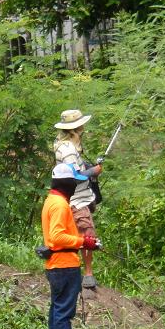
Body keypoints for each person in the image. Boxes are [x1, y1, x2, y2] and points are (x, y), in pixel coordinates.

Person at [41, 162, 100, 329]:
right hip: (64, 264)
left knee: (57, 310)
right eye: (74, 182)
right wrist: (84, 242)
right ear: (66, 183)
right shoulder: (59, 204)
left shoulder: (52, 200)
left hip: (57, 264)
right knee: (64, 312)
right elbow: (57, 236)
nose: (76, 185)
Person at [53, 109, 103, 289]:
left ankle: (78, 272)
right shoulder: (68, 150)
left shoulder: (65, 144)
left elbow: (76, 167)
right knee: (87, 233)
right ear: (75, 128)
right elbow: (74, 176)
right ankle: (87, 275)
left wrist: (89, 166)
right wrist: (93, 172)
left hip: (79, 197)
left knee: (80, 233)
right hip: (77, 199)